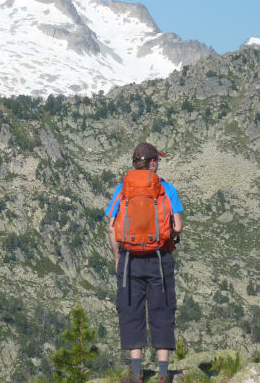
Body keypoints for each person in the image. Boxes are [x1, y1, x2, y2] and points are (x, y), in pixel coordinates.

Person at [105, 142, 183, 383]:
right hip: (160, 259)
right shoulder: (167, 188)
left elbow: (111, 226)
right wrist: (170, 235)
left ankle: (137, 373)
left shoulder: (122, 188)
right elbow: (178, 226)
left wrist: (118, 256)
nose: (158, 163)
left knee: (131, 310)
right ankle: (162, 374)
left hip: (129, 260)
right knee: (162, 310)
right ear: (151, 162)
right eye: (156, 160)